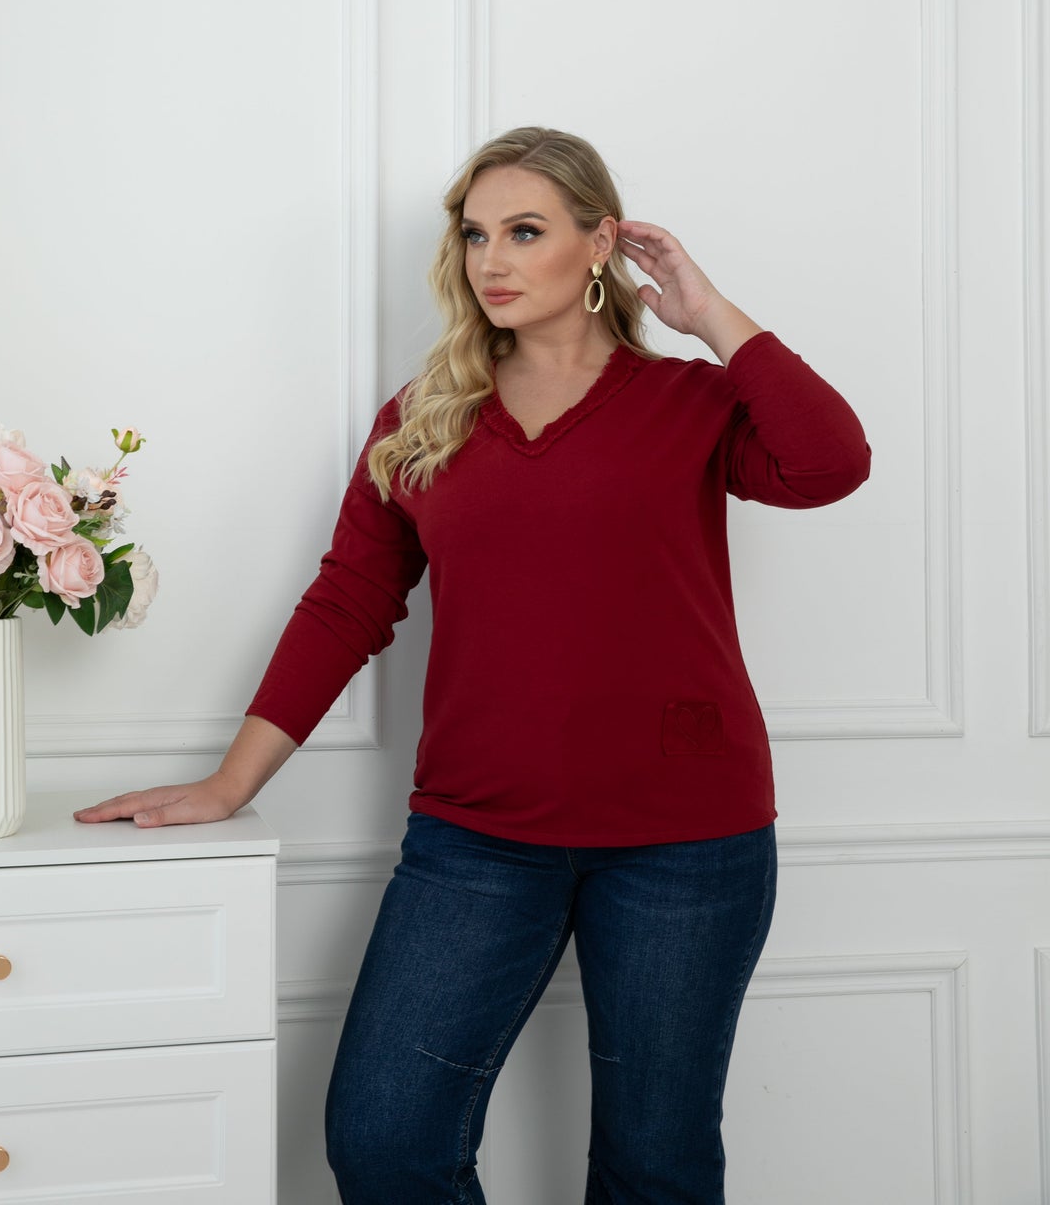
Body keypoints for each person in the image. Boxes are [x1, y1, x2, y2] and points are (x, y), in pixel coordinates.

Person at [75, 125, 872, 1205]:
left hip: (688, 841)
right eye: (474, 234)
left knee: (656, 1165)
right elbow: (348, 601)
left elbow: (830, 463)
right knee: (384, 1139)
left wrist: (710, 314)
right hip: (478, 837)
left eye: (525, 231)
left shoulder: (692, 402)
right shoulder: (425, 419)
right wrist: (230, 783)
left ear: (601, 244)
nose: (491, 259)